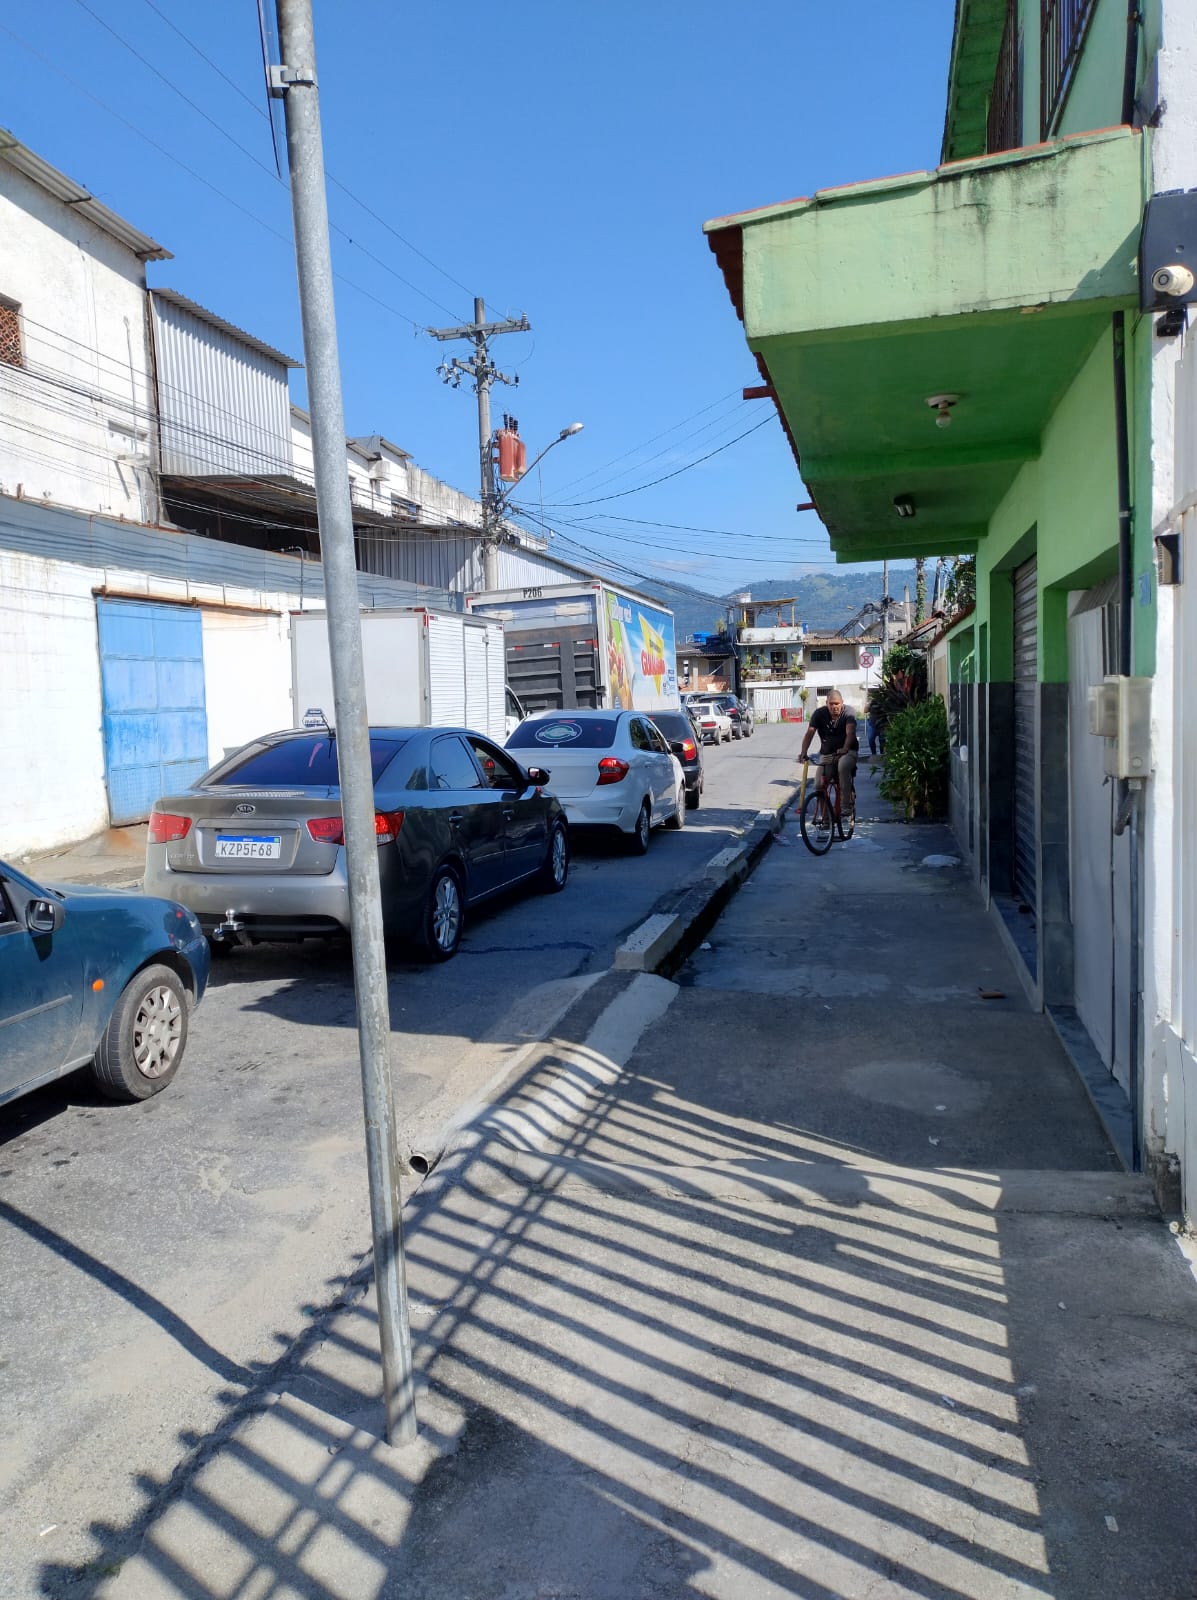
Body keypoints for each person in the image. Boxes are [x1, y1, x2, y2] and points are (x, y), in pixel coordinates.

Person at [800, 689, 858, 809]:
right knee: (818, 785)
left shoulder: (849, 712)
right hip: (828, 755)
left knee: (843, 766)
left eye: (837, 703)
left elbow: (850, 733)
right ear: (826, 703)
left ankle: (845, 807)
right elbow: (810, 733)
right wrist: (803, 752)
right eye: (831, 704)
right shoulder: (819, 714)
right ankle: (825, 816)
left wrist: (845, 748)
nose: (834, 706)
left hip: (848, 753)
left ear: (842, 703)